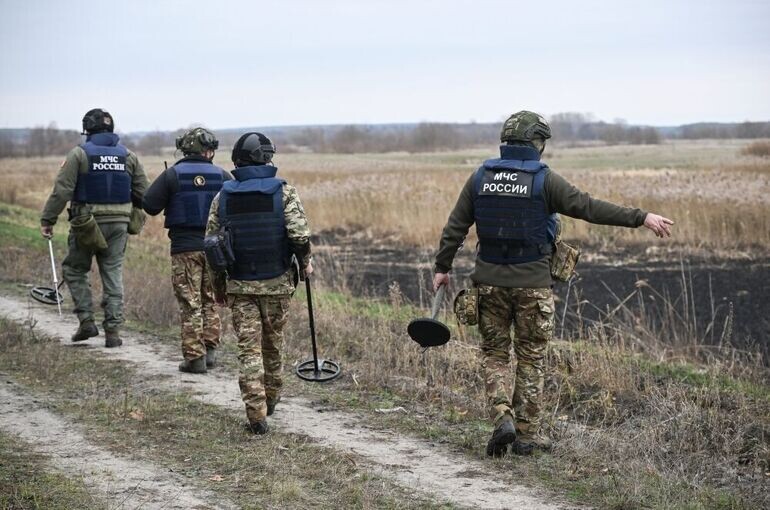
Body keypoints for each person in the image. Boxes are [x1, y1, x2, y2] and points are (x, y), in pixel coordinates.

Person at [432, 110, 674, 457]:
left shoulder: (480, 178)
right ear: (536, 143)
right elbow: (589, 207)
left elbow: (455, 227)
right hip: (533, 286)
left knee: (495, 355)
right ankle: (526, 437)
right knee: (531, 357)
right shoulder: (545, 181)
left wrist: (442, 267)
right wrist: (641, 217)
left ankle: (502, 415)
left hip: (488, 284)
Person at [205, 132, 312, 434]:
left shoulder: (222, 195)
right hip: (277, 284)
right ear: (267, 158)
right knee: (272, 344)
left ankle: (256, 413)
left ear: (238, 159)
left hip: (240, 286)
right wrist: (305, 263)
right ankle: (272, 398)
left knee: (248, 349)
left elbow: (212, 246)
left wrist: (218, 288)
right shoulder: (284, 192)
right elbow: (300, 236)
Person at [40, 108, 148, 347]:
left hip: (86, 222)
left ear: (87, 130)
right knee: (113, 272)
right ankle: (113, 332)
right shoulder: (129, 156)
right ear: (111, 129)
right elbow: (144, 194)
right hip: (120, 223)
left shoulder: (79, 154)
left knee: (75, 269)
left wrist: (48, 219)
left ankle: (87, 321)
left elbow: (62, 191)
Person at [142, 127, 230, 373]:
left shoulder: (172, 175)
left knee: (189, 302)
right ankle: (210, 351)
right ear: (207, 151)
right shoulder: (222, 176)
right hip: (215, 250)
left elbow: (149, 205)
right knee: (210, 300)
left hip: (184, 249)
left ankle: (194, 358)